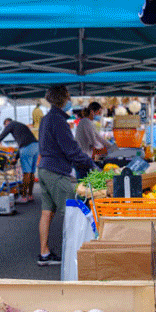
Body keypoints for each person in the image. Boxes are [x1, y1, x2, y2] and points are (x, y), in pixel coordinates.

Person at [36, 85, 97, 266]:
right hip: (55, 171)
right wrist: (90, 164)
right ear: (63, 99)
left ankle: (44, 253)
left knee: (47, 213)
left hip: (44, 169)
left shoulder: (47, 119)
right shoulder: (58, 121)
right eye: (69, 97)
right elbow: (71, 150)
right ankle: (73, 257)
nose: (70, 100)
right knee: (73, 213)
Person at [0, 118, 39, 204]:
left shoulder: (11, 124)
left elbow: (1, 136)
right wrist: (16, 157)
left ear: (7, 123)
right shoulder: (20, 125)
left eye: (5, 126)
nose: (6, 127)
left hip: (27, 147)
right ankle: (30, 195)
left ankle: (24, 196)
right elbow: (21, 143)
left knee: (26, 173)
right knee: (32, 173)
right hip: (35, 146)